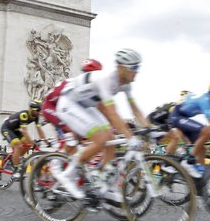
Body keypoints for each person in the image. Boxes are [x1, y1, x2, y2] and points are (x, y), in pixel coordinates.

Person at [53, 48, 150, 199]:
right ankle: (67, 175)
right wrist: (130, 137)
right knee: (101, 138)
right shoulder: (105, 79)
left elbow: (135, 109)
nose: (136, 72)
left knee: (110, 140)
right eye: (134, 68)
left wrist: (150, 129)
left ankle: (102, 182)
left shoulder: (126, 84)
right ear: (121, 67)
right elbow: (112, 112)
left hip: (85, 106)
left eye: (138, 67)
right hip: (68, 104)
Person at [164, 82, 210, 178]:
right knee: (207, 130)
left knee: (202, 148)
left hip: (184, 118)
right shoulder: (205, 101)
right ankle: (188, 161)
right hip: (177, 116)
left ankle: (201, 179)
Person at [40, 59, 102, 151]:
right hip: (50, 107)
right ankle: (57, 161)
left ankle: (67, 157)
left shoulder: (89, 87)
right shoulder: (74, 83)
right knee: (72, 136)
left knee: (81, 138)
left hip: (63, 110)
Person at [0, 101, 48, 179]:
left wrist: (46, 140)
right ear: (32, 110)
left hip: (16, 130)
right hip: (7, 128)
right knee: (18, 145)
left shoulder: (36, 117)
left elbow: (39, 129)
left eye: (40, 110)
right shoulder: (24, 115)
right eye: (38, 110)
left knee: (27, 145)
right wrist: (32, 143)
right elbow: (25, 131)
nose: (39, 112)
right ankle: (15, 170)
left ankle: (15, 158)